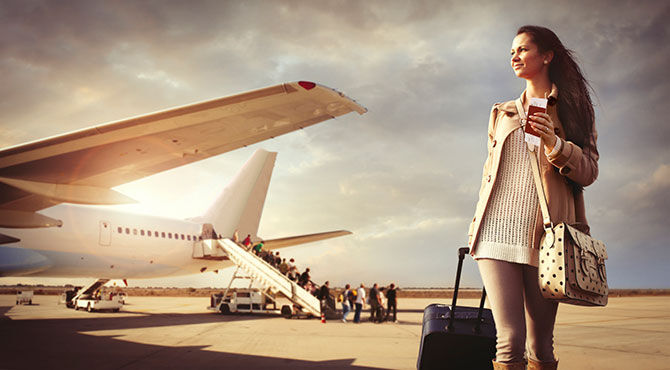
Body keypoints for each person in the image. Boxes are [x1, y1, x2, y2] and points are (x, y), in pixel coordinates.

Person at [467, 25, 598, 370]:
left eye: (523, 49)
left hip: (546, 239)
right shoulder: (502, 112)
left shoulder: (573, 112)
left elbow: (589, 172)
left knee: (539, 343)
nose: (515, 56)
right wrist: (475, 227)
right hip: (495, 233)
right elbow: (488, 175)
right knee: (508, 339)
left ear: (547, 55)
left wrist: (556, 145)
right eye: (512, 51)